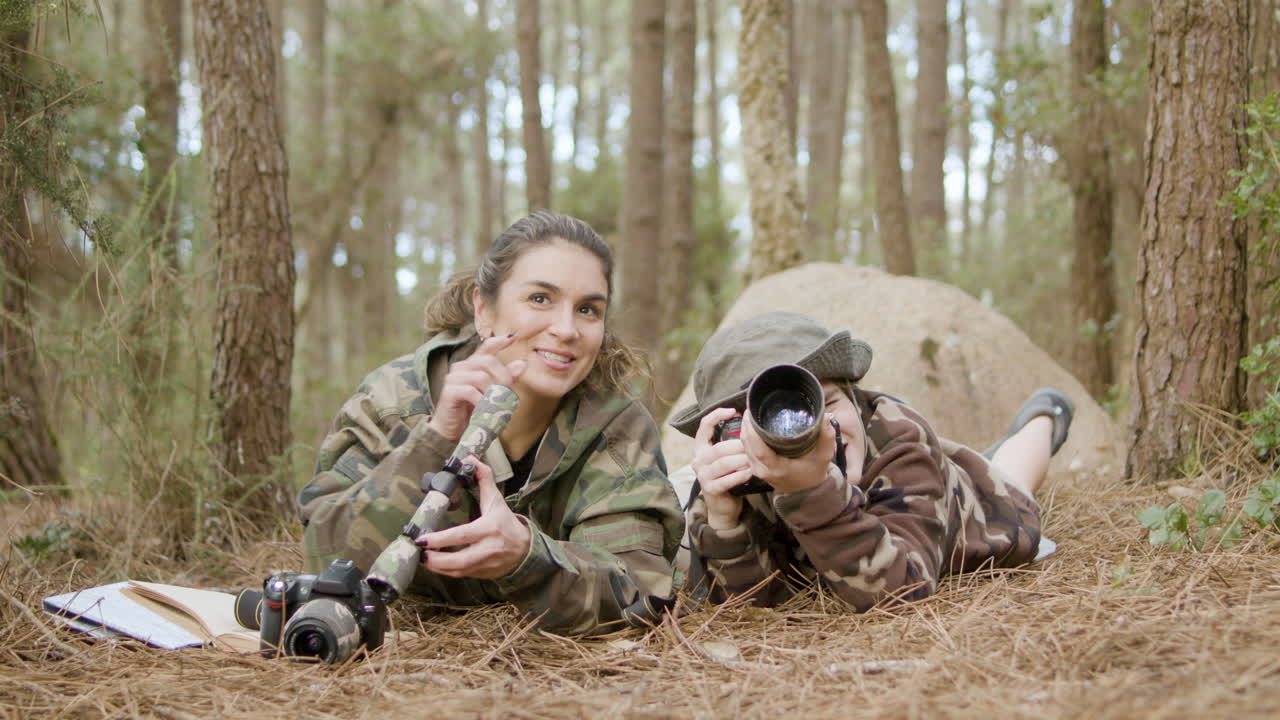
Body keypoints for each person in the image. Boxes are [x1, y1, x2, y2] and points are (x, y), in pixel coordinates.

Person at [297, 211, 683, 634]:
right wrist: (435, 441)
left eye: (588, 309)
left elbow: (641, 591)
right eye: (540, 299)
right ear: (484, 310)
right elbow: (324, 557)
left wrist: (527, 557)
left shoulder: (616, 427)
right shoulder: (395, 400)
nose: (567, 329)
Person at [669, 311, 1072, 610]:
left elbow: (902, 592)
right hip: (904, 495)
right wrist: (723, 521)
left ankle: (1044, 417)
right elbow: (750, 606)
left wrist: (810, 488)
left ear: (857, 399)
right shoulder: (740, 470)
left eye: (828, 405)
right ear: (733, 433)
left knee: (1010, 478)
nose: (817, 433)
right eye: (777, 425)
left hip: (966, 506)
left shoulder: (896, 436)